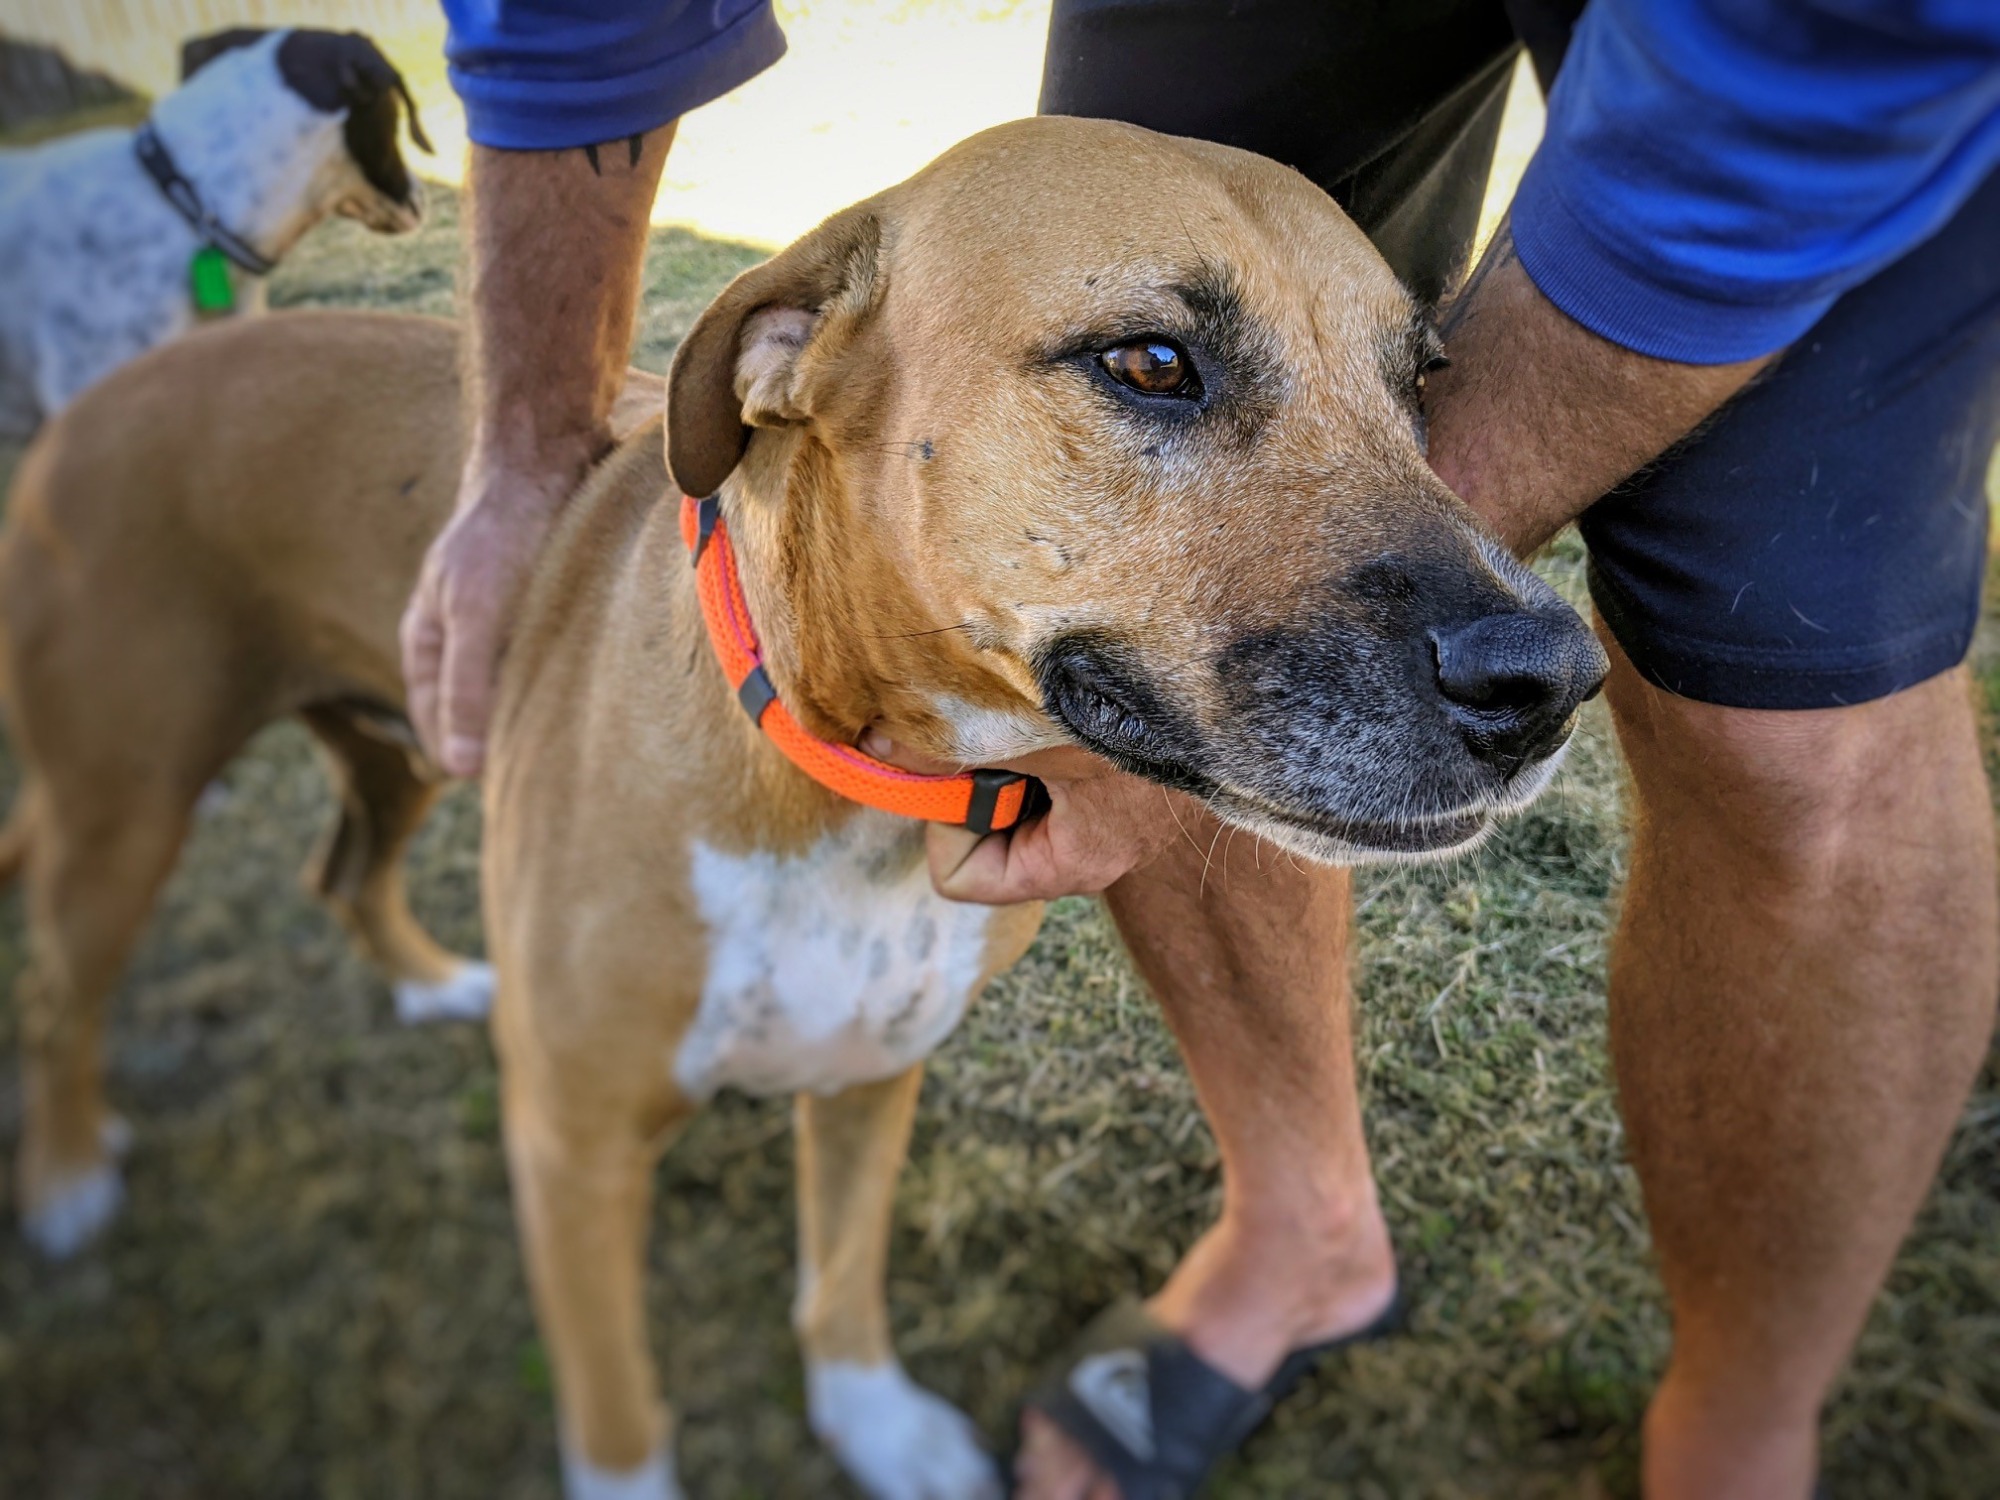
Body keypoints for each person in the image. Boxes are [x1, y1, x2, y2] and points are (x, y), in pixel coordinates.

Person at [411, 1, 2000, 1495]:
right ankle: (1300, 1227)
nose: (1532, 660)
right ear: (784, 358)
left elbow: (1814, 76)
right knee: (1150, 659)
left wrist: (1366, 558)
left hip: (1839, 44)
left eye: (1405, 381)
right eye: (1152, 372)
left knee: (1789, 707)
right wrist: (530, 445)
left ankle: (1743, 1419)